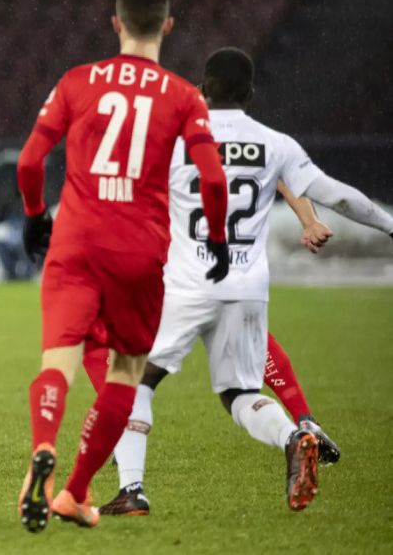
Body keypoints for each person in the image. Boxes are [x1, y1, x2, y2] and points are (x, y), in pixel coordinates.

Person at [97, 47, 393, 515]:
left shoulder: (174, 140)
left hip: (187, 282)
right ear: (251, 92)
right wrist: (390, 224)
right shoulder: (275, 144)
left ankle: (132, 490)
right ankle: (294, 435)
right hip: (246, 287)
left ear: (203, 88)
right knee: (240, 394)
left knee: (135, 378)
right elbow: (337, 195)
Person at [16, 0, 230, 532]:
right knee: (126, 370)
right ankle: (75, 493)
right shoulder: (185, 96)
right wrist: (218, 238)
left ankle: (43, 448)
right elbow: (212, 180)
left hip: (77, 240)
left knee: (57, 362)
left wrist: (36, 217)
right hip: (138, 251)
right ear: (167, 25)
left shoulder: (78, 81)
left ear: (115, 23)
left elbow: (30, 162)